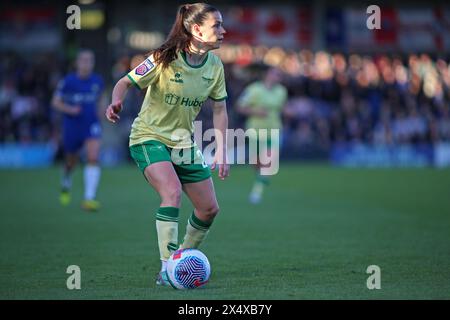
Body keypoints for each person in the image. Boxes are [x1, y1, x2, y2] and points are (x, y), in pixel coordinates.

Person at [105, 3, 229, 286]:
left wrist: (222, 150)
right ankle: (167, 269)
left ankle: (183, 258)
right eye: (217, 25)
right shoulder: (163, 57)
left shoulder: (215, 67)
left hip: (183, 143)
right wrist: (116, 101)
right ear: (196, 30)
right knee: (171, 193)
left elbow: (220, 110)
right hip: (148, 137)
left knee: (209, 209)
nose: (223, 30)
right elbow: (124, 82)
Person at [52, 49, 105, 211]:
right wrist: (70, 109)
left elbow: (102, 98)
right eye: (84, 60)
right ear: (77, 62)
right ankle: (66, 178)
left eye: (90, 60)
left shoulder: (97, 80)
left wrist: (103, 110)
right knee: (71, 161)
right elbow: (55, 102)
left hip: (91, 124)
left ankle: (89, 198)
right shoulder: (68, 81)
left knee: (93, 157)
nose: (87, 63)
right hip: (72, 126)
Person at [236, 65, 287, 204]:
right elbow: (240, 107)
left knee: (268, 161)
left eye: (279, 75)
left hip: (274, 131)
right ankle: (262, 175)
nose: (278, 78)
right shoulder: (254, 89)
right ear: (267, 75)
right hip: (255, 131)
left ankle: (256, 192)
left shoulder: (282, 91)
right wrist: (256, 112)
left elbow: (281, 109)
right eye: (275, 74)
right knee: (256, 162)